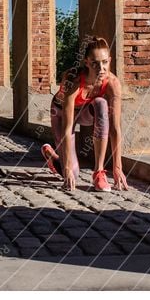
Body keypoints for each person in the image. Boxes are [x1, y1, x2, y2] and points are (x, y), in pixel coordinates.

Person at [40, 36, 128, 192]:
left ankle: (99, 172)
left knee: (101, 103)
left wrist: (118, 167)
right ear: (86, 62)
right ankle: (54, 157)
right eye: (95, 63)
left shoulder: (113, 83)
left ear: (110, 60)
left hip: (85, 112)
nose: (101, 68)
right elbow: (68, 128)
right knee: (72, 173)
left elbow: (115, 128)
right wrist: (66, 168)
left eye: (105, 62)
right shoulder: (72, 79)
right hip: (61, 113)